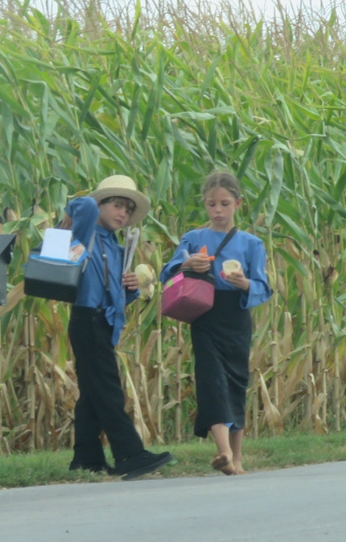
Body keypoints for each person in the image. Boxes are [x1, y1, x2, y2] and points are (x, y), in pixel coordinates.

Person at [61, 174, 173, 480]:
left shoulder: (116, 245)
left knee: (92, 394)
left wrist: (132, 288)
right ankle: (129, 454)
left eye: (127, 209)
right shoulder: (86, 233)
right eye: (116, 205)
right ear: (100, 205)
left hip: (104, 321)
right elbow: (82, 204)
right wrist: (73, 212)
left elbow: (119, 296)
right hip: (87, 317)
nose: (122, 213)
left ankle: (86, 459)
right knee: (109, 391)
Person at [159, 171, 271, 475]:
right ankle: (223, 452)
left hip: (235, 314)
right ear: (204, 205)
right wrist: (187, 263)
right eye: (211, 205)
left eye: (224, 204)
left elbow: (263, 287)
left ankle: (237, 458)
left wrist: (243, 283)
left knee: (236, 381)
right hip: (205, 312)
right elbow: (166, 273)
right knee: (211, 378)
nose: (217, 210)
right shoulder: (194, 239)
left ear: (237, 203)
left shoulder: (252, 244)